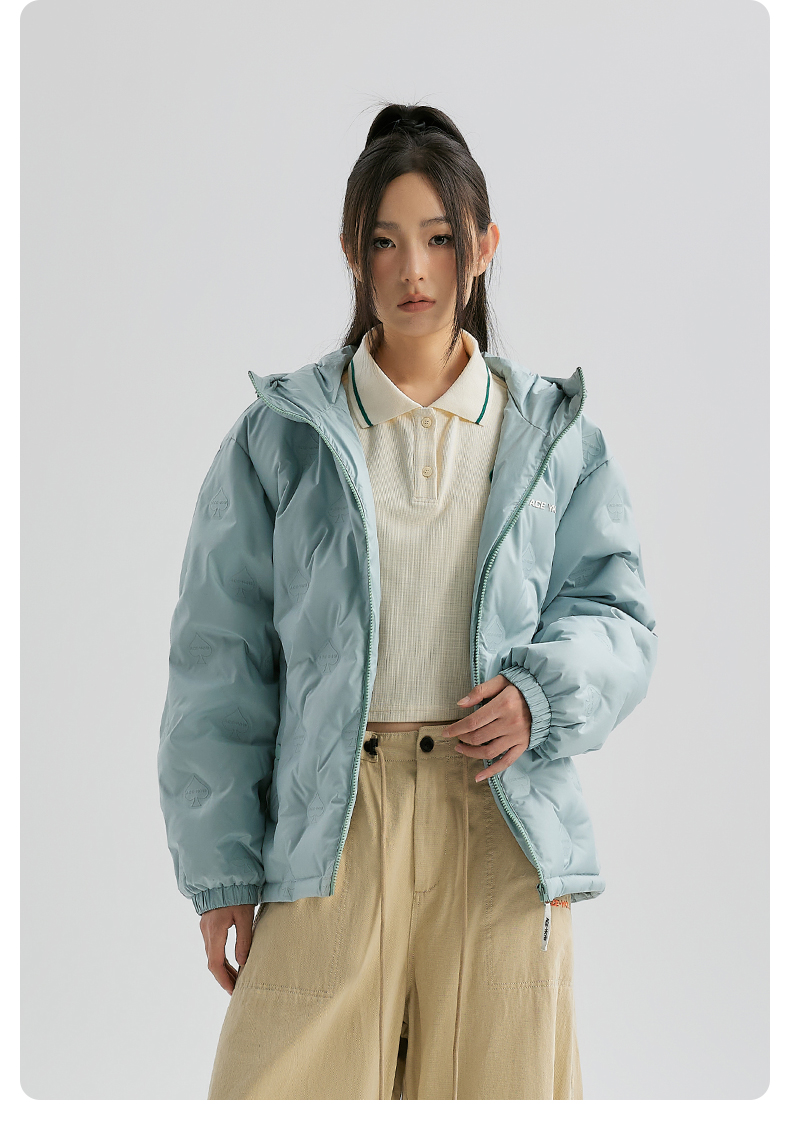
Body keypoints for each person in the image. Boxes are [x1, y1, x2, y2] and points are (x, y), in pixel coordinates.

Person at [157, 102, 659, 1100]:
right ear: (352, 252)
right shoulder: (283, 437)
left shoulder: (550, 435)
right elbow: (220, 660)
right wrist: (223, 872)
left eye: (439, 238)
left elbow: (617, 614)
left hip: (499, 824)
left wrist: (541, 698)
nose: (414, 270)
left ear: (484, 248)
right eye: (385, 242)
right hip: (332, 828)